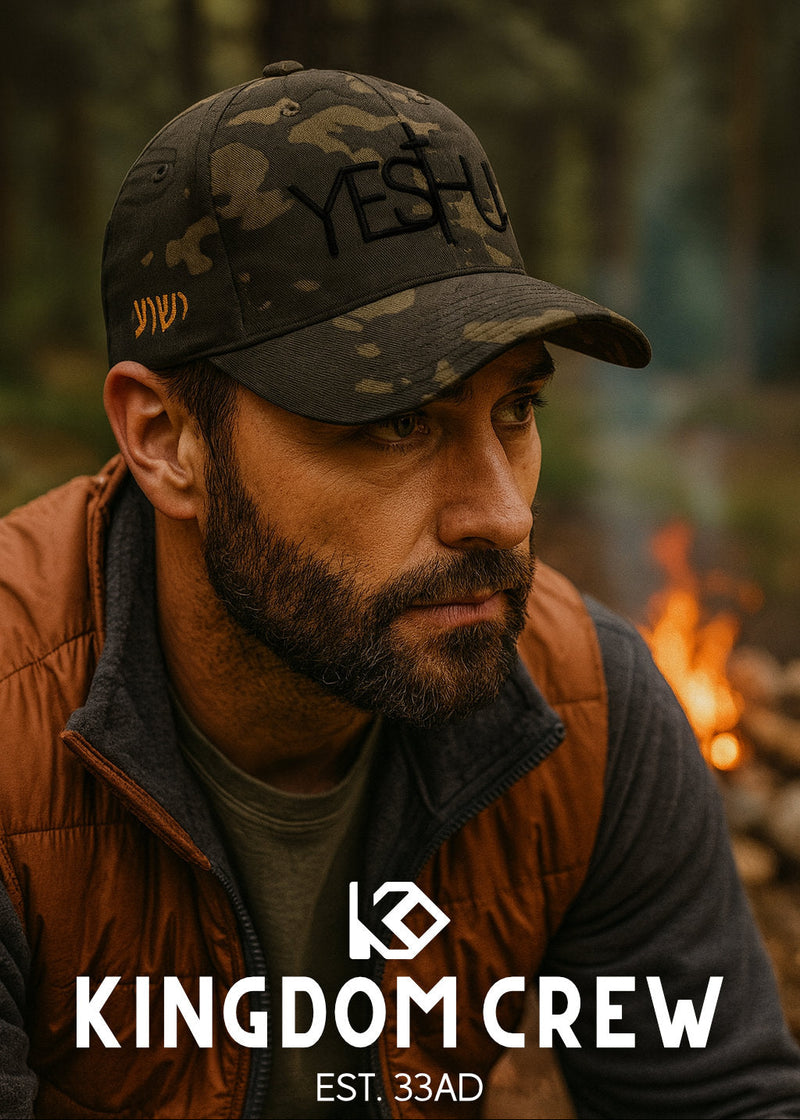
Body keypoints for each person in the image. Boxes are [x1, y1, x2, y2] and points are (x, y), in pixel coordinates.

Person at [0, 60, 798, 1120]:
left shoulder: (585, 709)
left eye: (514, 411)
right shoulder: (12, 740)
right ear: (165, 438)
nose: (503, 515)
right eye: (396, 422)